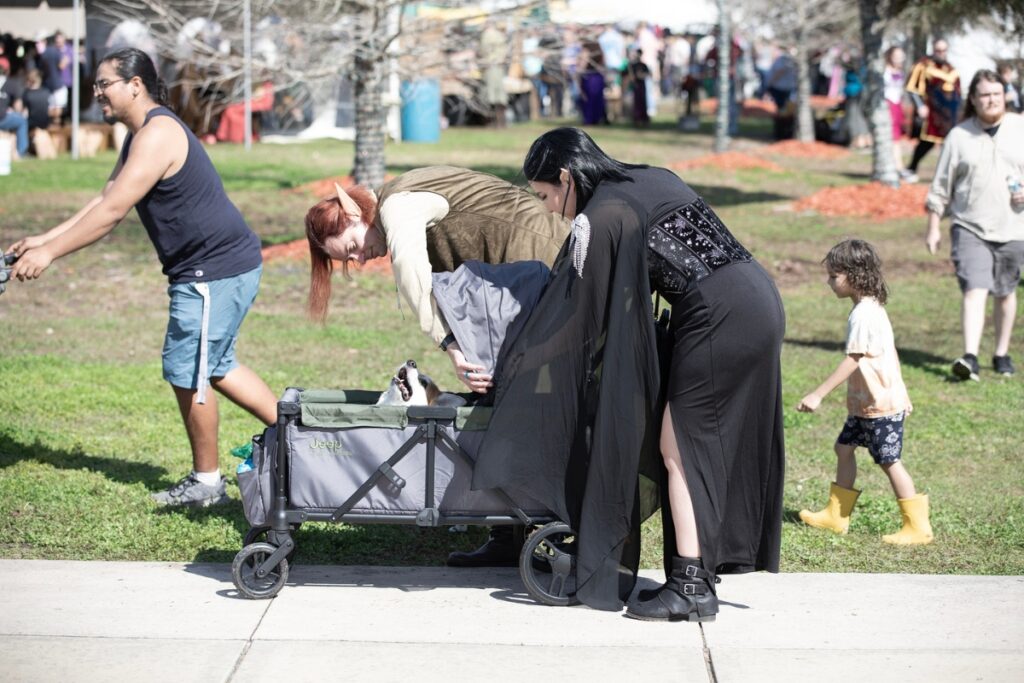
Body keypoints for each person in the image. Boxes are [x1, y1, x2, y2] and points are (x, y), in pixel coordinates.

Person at [475, 128, 785, 619]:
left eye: (546, 196)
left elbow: (579, 315)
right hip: (756, 299)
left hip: (717, 318)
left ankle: (689, 587)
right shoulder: (647, 178)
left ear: (565, 177)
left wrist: (520, 363)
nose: (551, 210)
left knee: (679, 449)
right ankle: (696, 573)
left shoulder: (603, 214)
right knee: (695, 446)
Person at [8, 47, 278, 507]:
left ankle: (207, 483)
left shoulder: (157, 135)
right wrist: (43, 238)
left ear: (136, 85)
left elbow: (112, 214)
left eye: (104, 84)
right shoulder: (141, 135)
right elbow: (108, 195)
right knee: (215, 366)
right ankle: (298, 433)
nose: (96, 93)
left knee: (187, 370)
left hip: (211, 270)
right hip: (217, 267)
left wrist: (52, 253)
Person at [303, 166, 570, 567]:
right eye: (349, 260)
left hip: (547, 264)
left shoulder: (398, 205)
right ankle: (507, 530)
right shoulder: (398, 203)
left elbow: (412, 273)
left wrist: (450, 345)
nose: (359, 259)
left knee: (544, 406)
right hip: (522, 281)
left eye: (352, 247)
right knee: (500, 403)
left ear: (355, 214)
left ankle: (565, 529)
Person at [797, 240, 933, 545]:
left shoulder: (864, 314)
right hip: (865, 404)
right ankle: (836, 516)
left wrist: (818, 394)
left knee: (889, 460)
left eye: (834, 276)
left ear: (854, 275)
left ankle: (918, 526)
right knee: (844, 449)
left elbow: (854, 358)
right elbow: (888, 353)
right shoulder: (869, 307)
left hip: (880, 404)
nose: (829, 282)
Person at [925, 69, 1024, 381]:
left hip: (1014, 226)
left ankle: (1001, 353)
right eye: (984, 94)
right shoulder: (959, 136)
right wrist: (933, 225)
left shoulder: (1020, 128)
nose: (991, 99)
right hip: (969, 225)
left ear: (1004, 95)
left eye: (996, 93)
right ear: (973, 99)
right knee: (975, 288)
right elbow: (941, 185)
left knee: (1006, 292)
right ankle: (970, 356)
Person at [905, 39, 961, 177]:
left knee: (949, 144)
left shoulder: (951, 69)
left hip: (948, 115)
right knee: (926, 143)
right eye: (938, 50)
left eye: (944, 50)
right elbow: (912, 88)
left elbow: (958, 93)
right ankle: (911, 169)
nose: (941, 53)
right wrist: (920, 106)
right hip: (931, 113)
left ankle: (950, 175)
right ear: (933, 50)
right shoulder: (923, 65)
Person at [883, 46, 914, 181]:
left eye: (901, 56)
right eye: (896, 56)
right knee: (892, 138)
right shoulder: (885, 71)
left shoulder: (901, 71)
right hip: (887, 105)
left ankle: (898, 167)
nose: (899, 59)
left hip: (897, 105)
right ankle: (898, 167)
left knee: (896, 138)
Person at [478, 21, 509, 127]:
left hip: (491, 66)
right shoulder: (500, 35)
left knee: (491, 95)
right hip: (499, 67)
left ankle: (493, 122)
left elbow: (484, 51)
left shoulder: (487, 35)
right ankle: (501, 122)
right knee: (500, 94)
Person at [0, 62, 29, 158]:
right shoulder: (11, 84)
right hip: (2, 118)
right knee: (22, 121)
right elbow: (18, 106)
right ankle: (21, 153)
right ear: (7, 70)